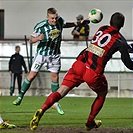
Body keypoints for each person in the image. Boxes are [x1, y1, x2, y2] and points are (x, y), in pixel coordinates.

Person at [29, 12, 133, 131]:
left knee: (61, 90)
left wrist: (127, 47)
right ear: (123, 24)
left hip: (80, 63)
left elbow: (106, 43)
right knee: (102, 94)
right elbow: (128, 63)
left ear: (110, 21)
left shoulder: (102, 28)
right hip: (93, 72)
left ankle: (42, 109)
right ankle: (89, 122)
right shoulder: (120, 40)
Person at [13, 7, 83, 115]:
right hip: (42, 55)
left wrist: (76, 23)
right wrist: (37, 39)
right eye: (52, 18)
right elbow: (31, 40)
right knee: (32, 75)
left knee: (55, 78)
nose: (54, 20)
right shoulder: (40, 26)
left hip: (54, 55)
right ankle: (20, 96)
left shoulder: (59, 20)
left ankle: (55, 103)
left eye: (55, 18)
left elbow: (65, 24)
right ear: (47, 17)